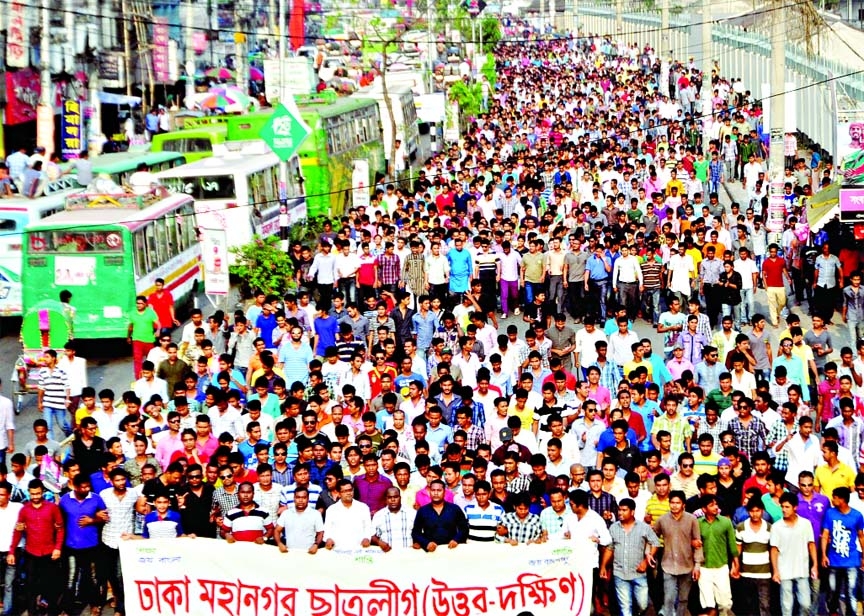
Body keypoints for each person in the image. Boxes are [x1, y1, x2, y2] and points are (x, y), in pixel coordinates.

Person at [10, 480, 64, 615]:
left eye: (38, 493)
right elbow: (18, 530)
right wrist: (12, 551)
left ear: (43, 492)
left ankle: (52, 612)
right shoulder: (24, 510)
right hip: (31, 553)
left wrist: (58, 548)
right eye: (33, 494)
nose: (35, 497)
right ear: (29, 492)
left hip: (49, 553)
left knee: (51, 586)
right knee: (30, 587)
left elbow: (60, 529)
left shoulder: (52, 508)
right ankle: (32, 612)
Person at [600, 496, 661, 616]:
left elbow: (656, 543)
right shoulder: (614, 527)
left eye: (624, 510)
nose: (620, 513)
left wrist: (645, 562)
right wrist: (603, 566)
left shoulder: (644, 527)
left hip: (639, 573)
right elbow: (610, 548)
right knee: (625, 607)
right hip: (620, 573)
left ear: (632, 512)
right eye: (619, 510)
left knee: (643, 605)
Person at [770, 492, 818, 616]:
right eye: (782, 507)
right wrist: (775, 571)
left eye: (787, 507)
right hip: (784, 570)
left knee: (806, 604)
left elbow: (811, 544)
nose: (784, 510)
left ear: (795, 507)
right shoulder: (776, 527)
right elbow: (774, 550)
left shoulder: (805, 524)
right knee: (786, 606)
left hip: (802, 569)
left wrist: (815, 565)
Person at [412, 479, 468, 551]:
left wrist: (456, 540)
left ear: (444, 492)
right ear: (429, 492)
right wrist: (426, 543)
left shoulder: (454, 509)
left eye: (439, 490)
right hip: (431, 552)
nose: (435, 493)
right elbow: (416, 532)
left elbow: (464, 528)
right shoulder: (422, 511)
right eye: (433, 490)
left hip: (452, 550)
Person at [323, 478, 371, 549]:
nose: (349, 493)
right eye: (345, 491)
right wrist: (328, 539)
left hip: (359, 549)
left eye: (350, 490)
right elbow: (327, 530)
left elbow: (368, 527)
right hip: (338, 549)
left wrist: (367, 538)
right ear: (339, 493)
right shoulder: (331, 510)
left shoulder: (363, 507)